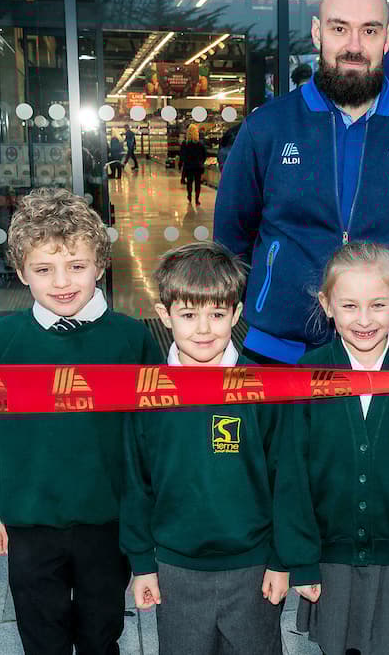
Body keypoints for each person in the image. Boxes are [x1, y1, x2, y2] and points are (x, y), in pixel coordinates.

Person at [213, 0, 389, 364]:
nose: (355, 46)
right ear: (317, 32)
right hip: (277, 356)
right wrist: (271, 298)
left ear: (388, 38)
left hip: (385, 356)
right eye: (339, 28)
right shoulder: (268, 128)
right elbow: (231, 241)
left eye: (370, 30)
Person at [0, 188, 164, 654]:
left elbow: (153, 433)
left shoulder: (131, 340)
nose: (62, 281)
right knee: (41, 637)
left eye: (76, 265)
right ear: (21, 273)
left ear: (99, 265)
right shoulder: (1, 343)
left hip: (107, 521)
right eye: (44, 269)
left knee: (101, 632)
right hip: (29, 520)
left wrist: (146, 515)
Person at [275, 242, 389, 655]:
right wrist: (301, 558)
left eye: (377, 304)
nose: (364, 320)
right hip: (328, 555)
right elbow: (292, 473)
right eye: (349, 306)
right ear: (327, 304)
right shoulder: (308, 374)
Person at [120, 241, 287, 655]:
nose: (203, 329)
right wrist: (142, 564)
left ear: (236, 313)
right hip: (176, 568)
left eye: (216, 314)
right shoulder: (147, 395)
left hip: (253, 567)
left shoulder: (262, 389)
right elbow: (133, 483)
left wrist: (283, 560)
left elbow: (286, 480)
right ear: (164, 316)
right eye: (188, 315)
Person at [179, 124, 207, 205]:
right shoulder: (200, 144)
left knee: (189, 182)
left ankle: (189, 196)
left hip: (188, 166)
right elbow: (205, 155)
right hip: (198, 166)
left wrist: (181, 165)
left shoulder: (185, 144)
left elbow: (182, 155)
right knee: (198, 183)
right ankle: (197, 199)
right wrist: (201, 162)